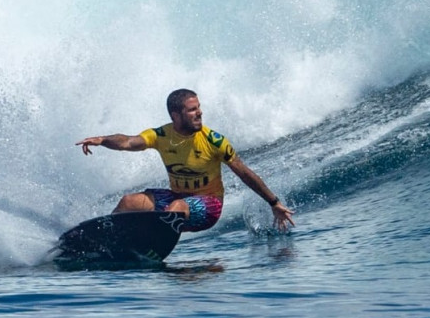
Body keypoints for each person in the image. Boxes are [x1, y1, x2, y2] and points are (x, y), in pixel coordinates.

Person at [76, 88, 295, 232]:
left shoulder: (214, 141)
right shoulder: (161, 136)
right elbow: (127, 142)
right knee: (128, 202)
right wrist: (103, 139)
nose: (199, 113)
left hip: (208, 206)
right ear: (175, 115)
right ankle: (108, 238)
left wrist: (274, 203)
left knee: (176, 207)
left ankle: (152, 243)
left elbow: (244, 172)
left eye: (199, 108)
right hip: (177, 197)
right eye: (192, 110)